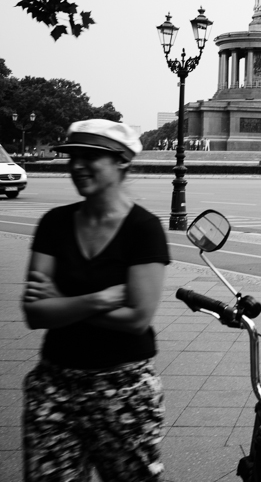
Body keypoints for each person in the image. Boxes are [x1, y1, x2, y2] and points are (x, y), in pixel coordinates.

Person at [21, 119, 170, 480]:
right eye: (72, 156)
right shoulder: (54, 223)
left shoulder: (143, 229)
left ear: (121, 161)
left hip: (125, 391)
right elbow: (35, 312)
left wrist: (64, 301)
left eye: (90, 156)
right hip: (54, 387)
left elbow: (136, 319)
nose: (76, 165)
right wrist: (101, 298)